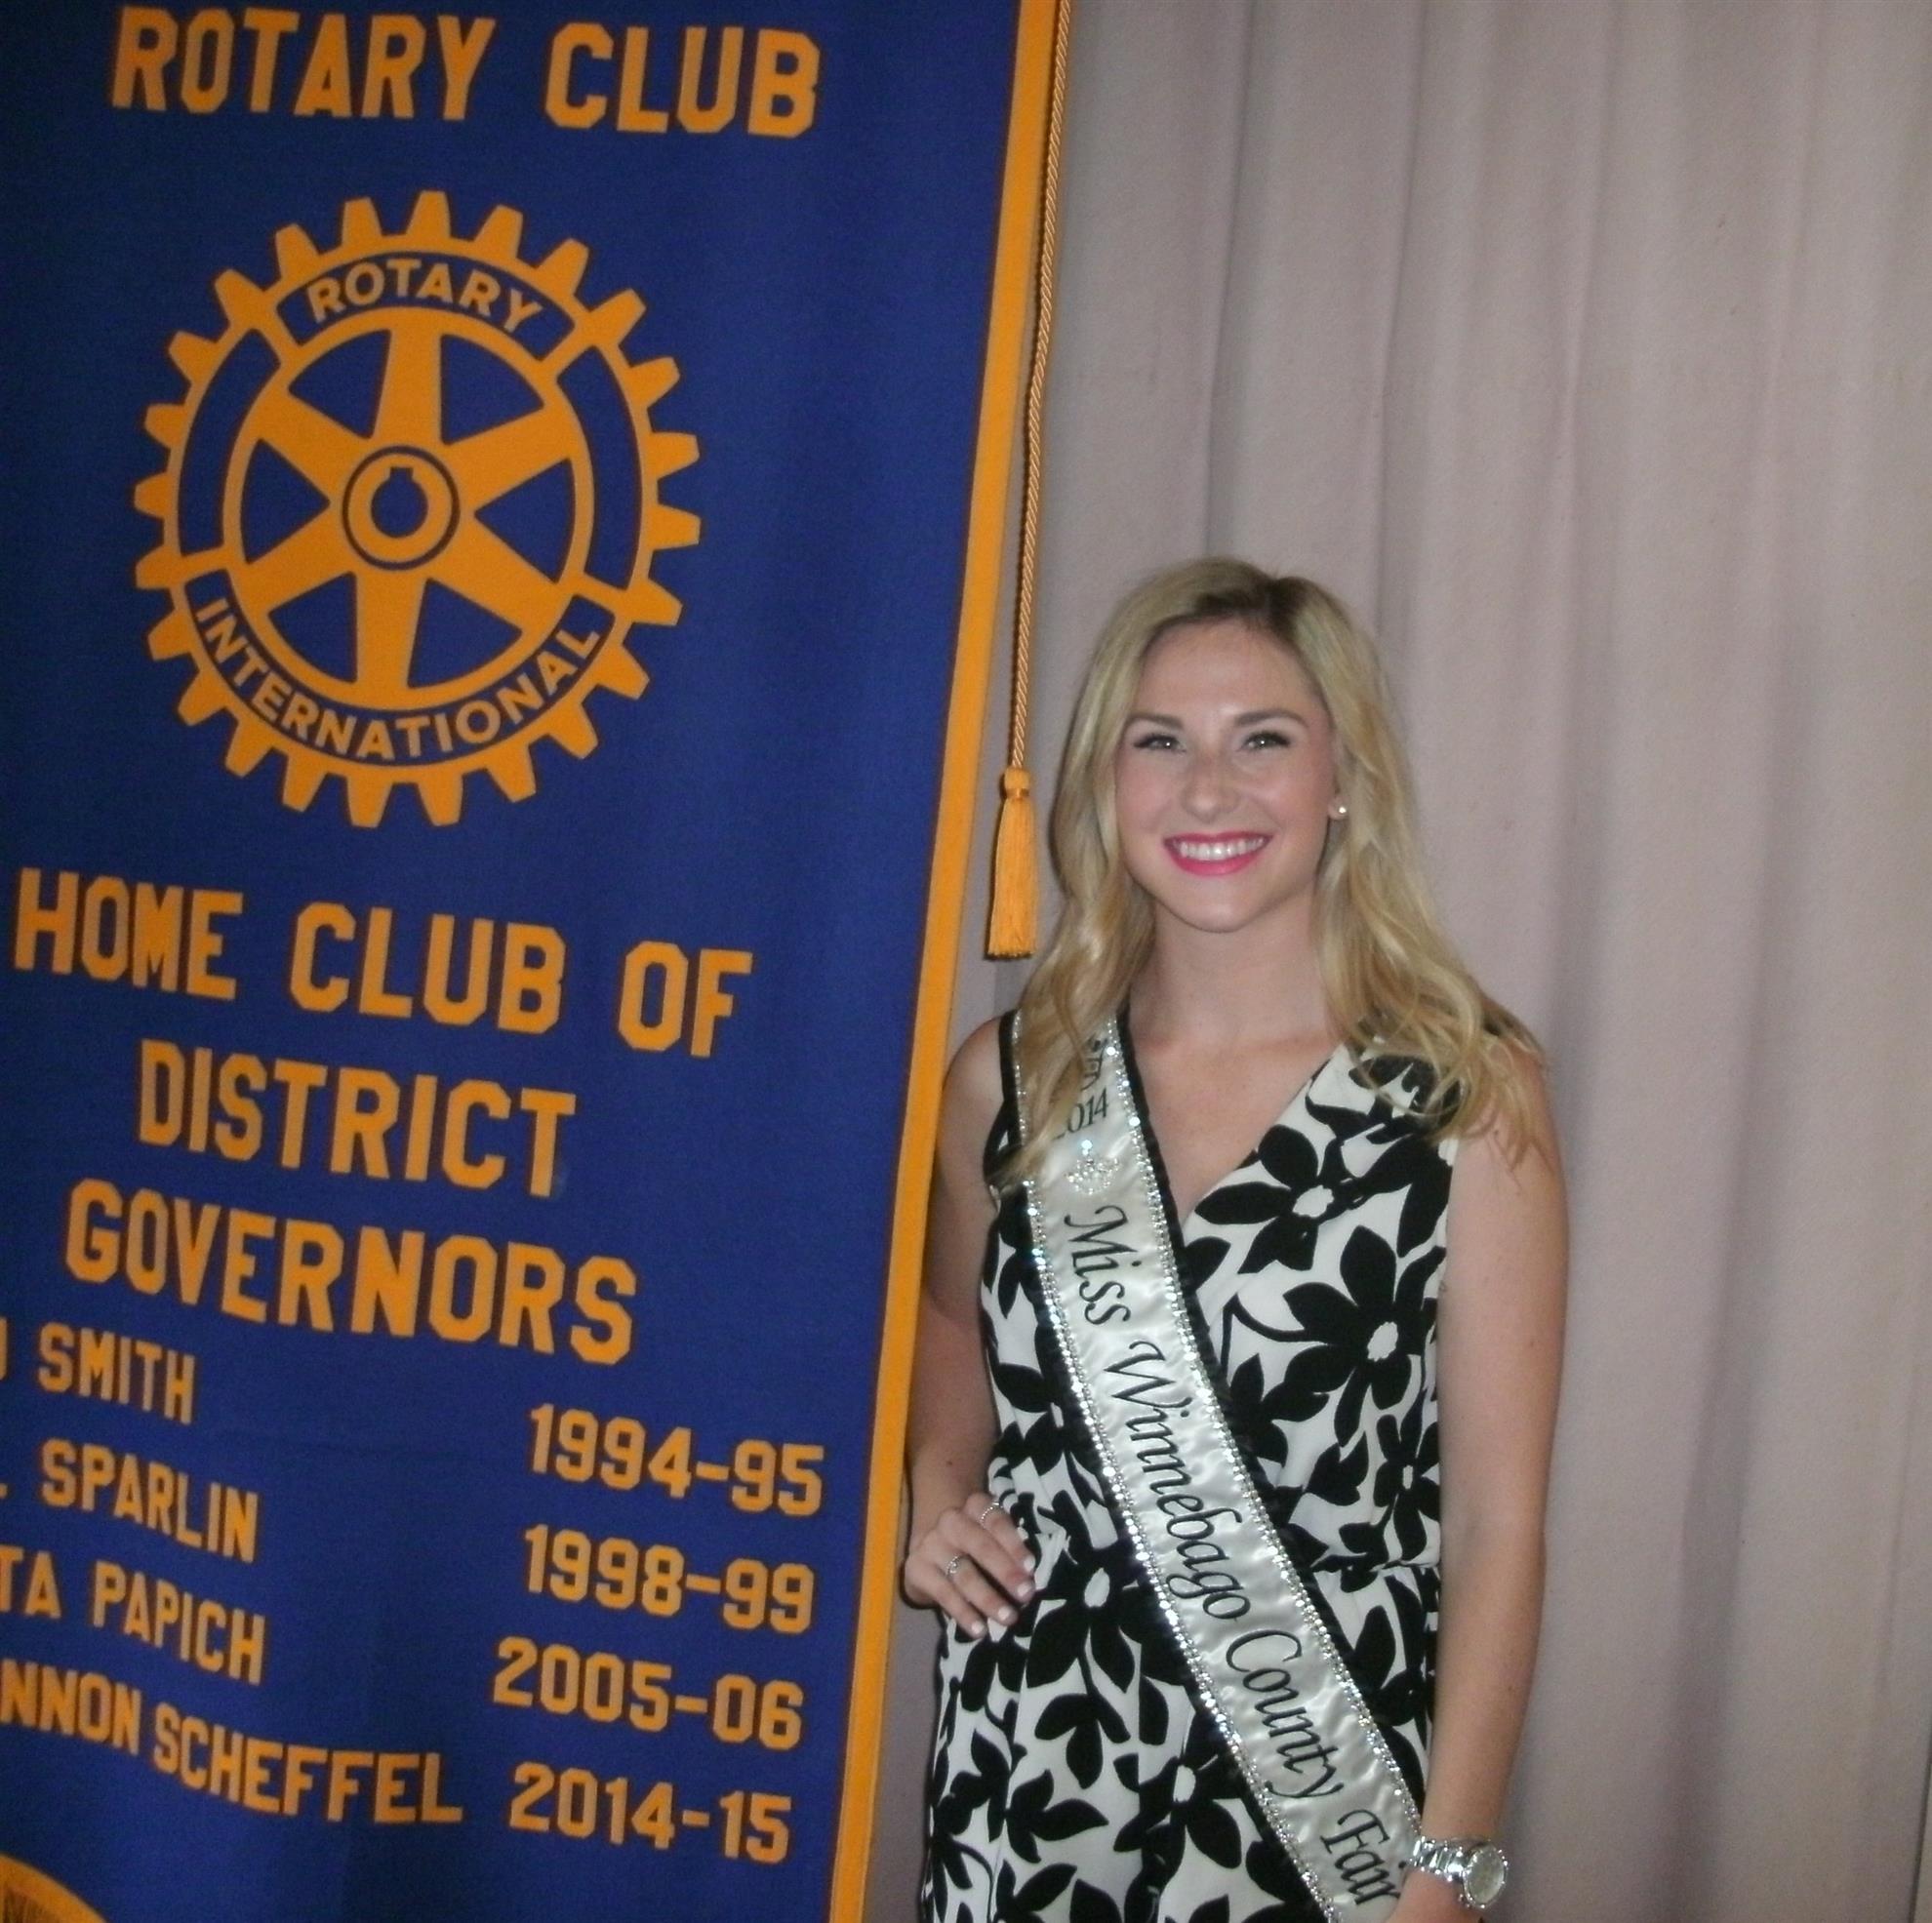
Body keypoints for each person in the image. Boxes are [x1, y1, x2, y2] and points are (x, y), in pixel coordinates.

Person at [905, 561, 1565, 1923]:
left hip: (1323, 1809)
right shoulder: (1013, 1077)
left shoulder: (1464, 1094)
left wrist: (1448, 1870)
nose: (1209, 791)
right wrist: (935, 1485)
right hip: (1036, 1768)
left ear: (1341, 778)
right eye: (1162, 743)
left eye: (1261, 738)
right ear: (1108, 783)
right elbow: (951, 1323)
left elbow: (1499, 1526)